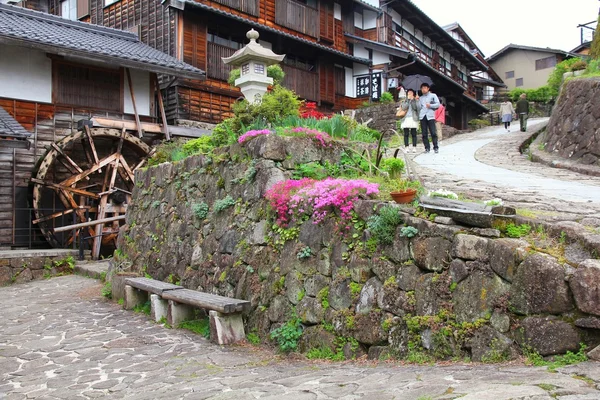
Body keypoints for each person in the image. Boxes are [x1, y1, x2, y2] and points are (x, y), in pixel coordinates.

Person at [417, 83, 440, 153]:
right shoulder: (420, 98)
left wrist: (430, 105)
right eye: (422, 88)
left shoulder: (433, 95)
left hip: (430, 116)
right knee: (424, 133)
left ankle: (435, 147)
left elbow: (438, 104)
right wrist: (417, 101)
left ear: (428, 88)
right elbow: (418, 108)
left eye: (424, 88)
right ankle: (427, 148)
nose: (423, 89)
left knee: (433, 132)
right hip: (422, 116)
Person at [398, 89, 421, 153]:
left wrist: (415, 100)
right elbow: (404, 108)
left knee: (414, 133)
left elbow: (417, 108)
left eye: (411, 92)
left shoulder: (415, 100)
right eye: (408, 93)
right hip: (406, 118)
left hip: (413, 118)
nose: (410, 94)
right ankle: (406, 147)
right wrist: (408, 100)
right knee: (406, 133)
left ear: (413, 93)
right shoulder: (404, 100)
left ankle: (414, 147)